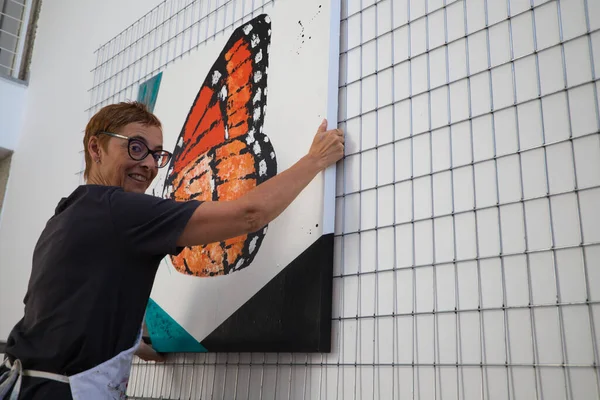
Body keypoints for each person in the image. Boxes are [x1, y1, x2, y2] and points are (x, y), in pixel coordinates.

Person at [0, 101, 344, 399]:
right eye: (135, 148)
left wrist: (128, 341)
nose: (149, 165)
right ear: (96, 148)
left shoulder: (66, 214)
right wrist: (314, 160)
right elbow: (248, 214)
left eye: (156, 154)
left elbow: (61, 309)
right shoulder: (119, 209)